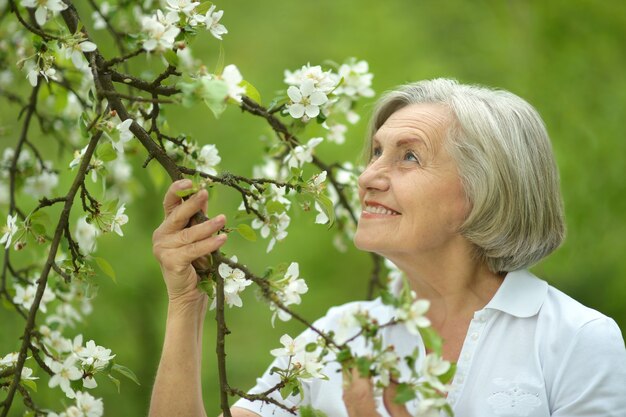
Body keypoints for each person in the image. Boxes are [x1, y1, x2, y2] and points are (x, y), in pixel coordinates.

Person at [149, 79, 626, 417]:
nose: (367, 177)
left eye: (409, 157)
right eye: (377, 152)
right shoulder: (340, 337)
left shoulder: (576, 340)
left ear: (481, 193)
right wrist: (186, 302)